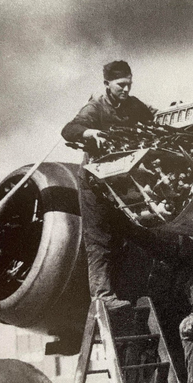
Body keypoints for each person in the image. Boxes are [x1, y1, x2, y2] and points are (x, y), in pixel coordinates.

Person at [62, 60, 155, 312]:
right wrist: (89, 133)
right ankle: (102, 296)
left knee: (138, 234)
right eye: (121, 85)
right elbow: (69, 129)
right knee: (98, 240)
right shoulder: (95, 107)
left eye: (129, 84)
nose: (126, 89)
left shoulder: (134, 105)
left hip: (121, 182)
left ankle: (129, 292)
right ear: (107, 84)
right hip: (94, 184)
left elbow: (154, 117)